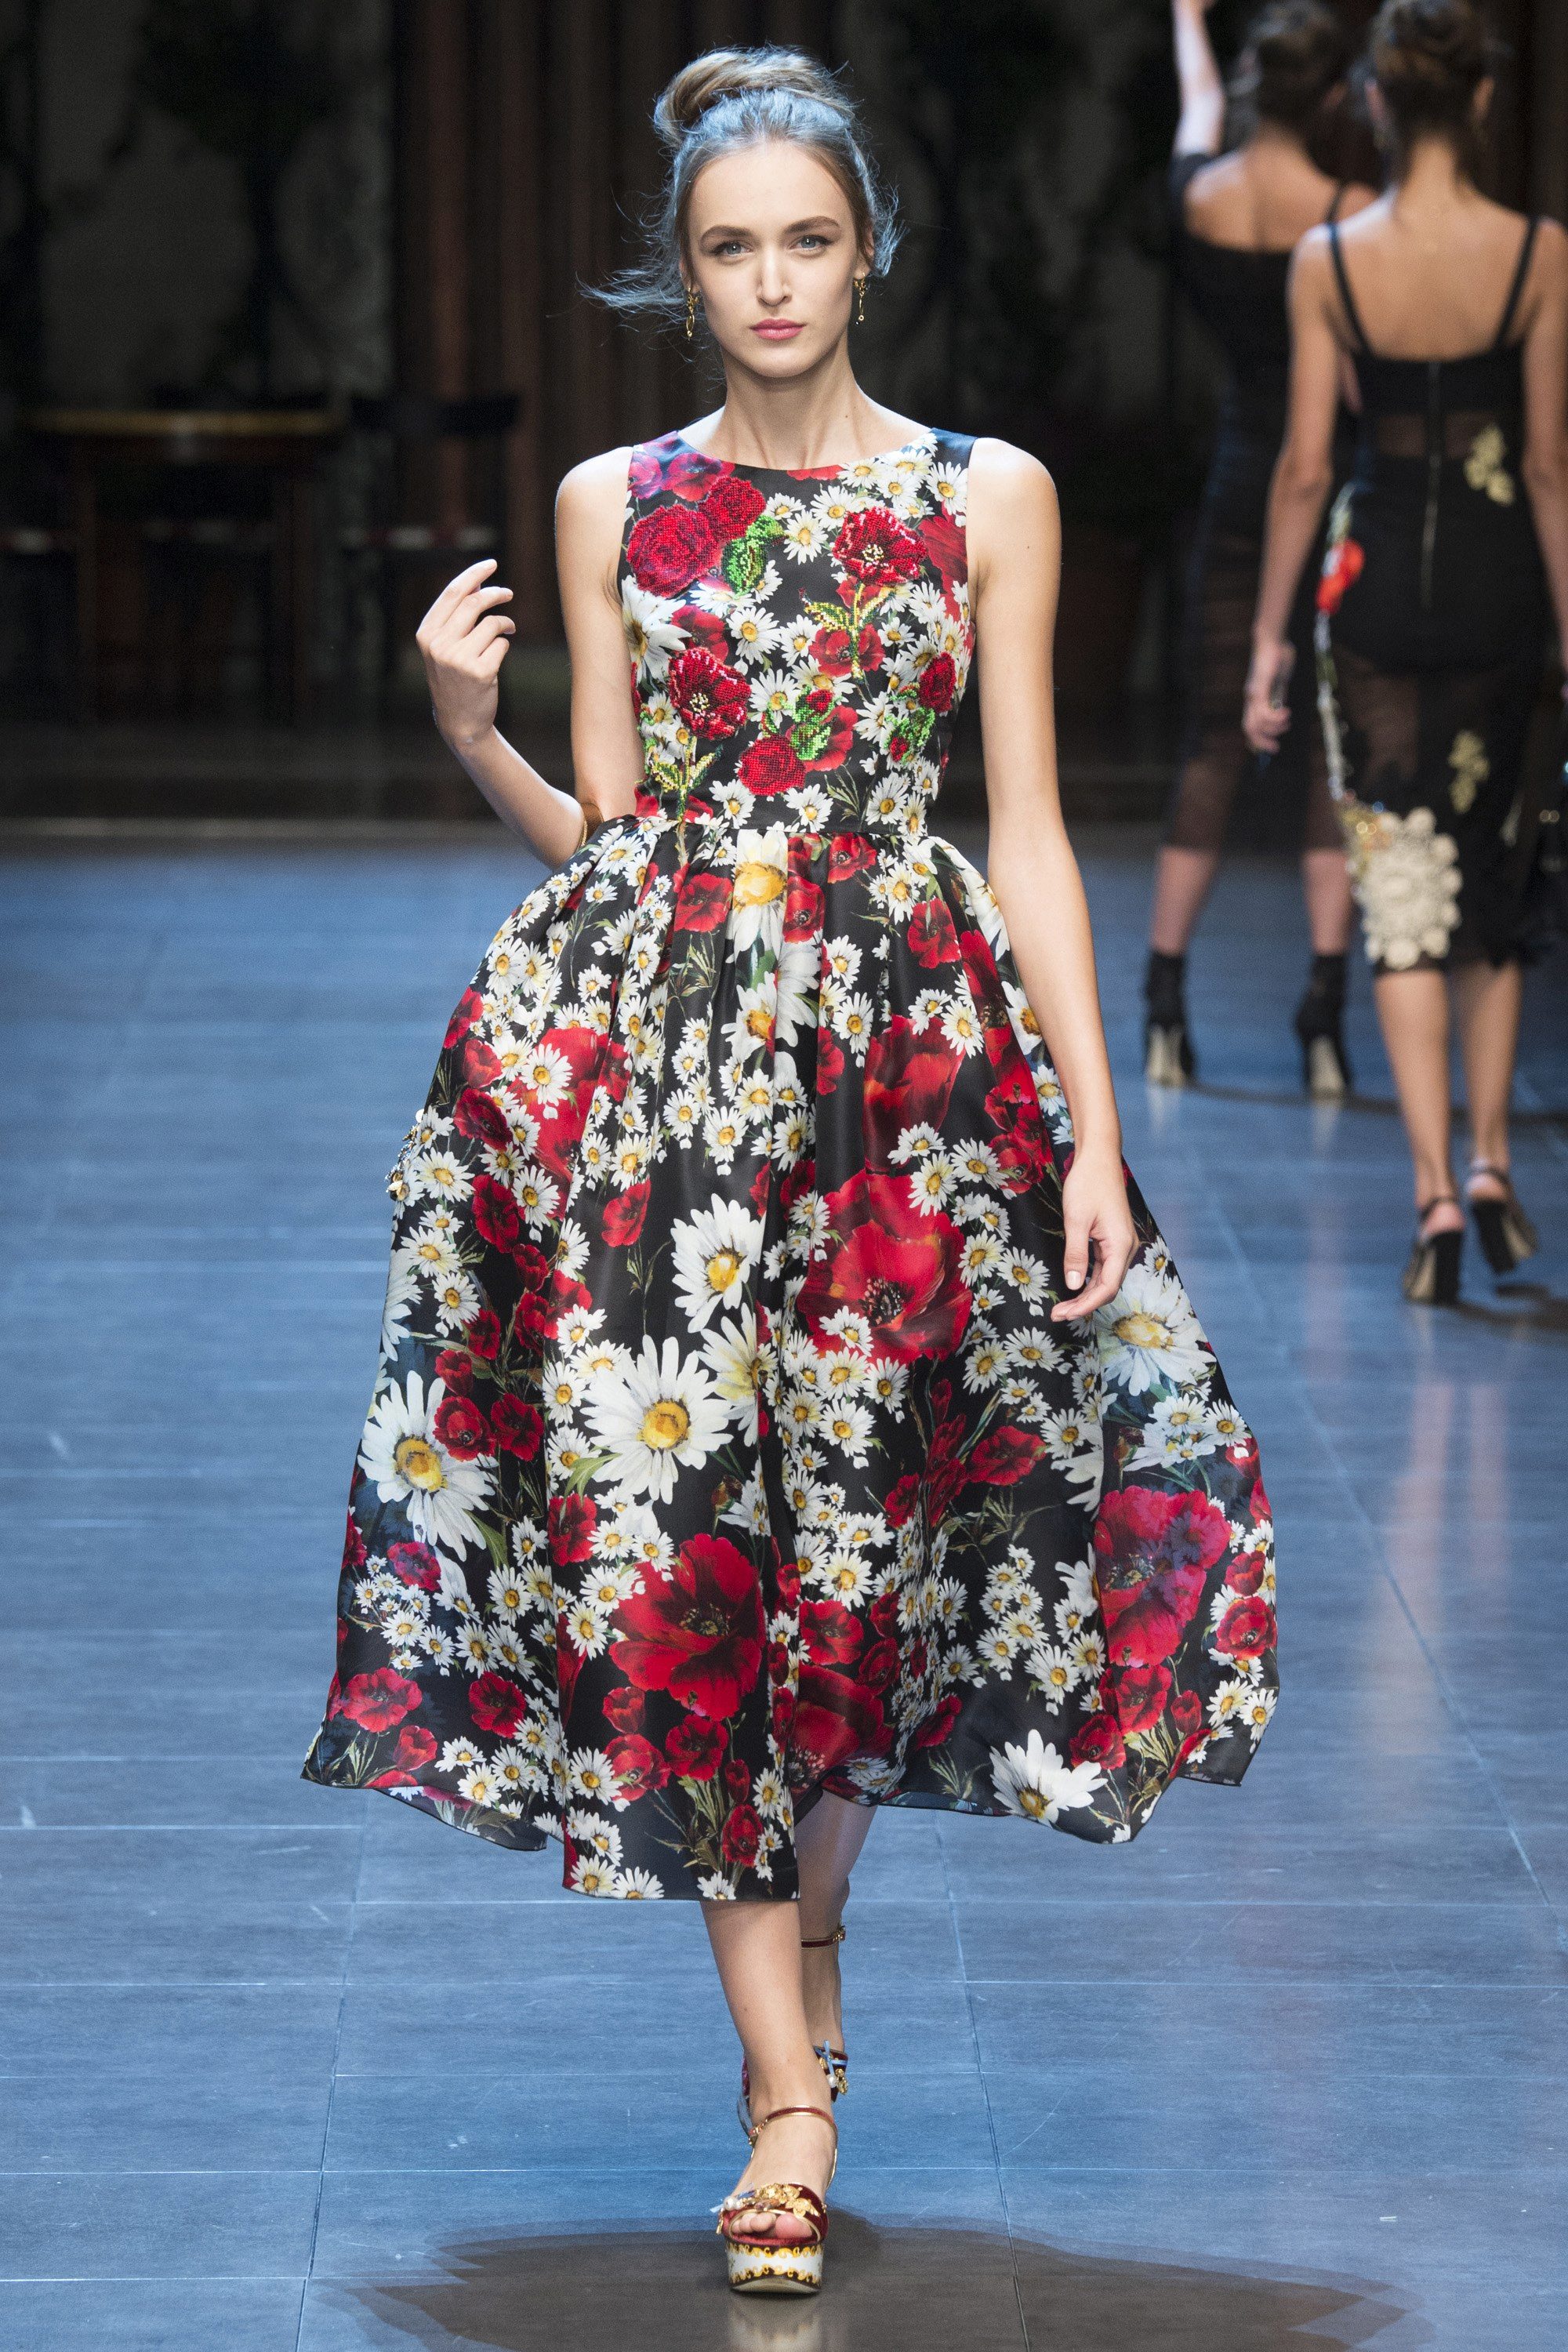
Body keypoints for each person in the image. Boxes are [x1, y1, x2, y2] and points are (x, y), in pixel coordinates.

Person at [302, 48, 1279, 2295]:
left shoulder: (982, 497)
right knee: (690, 1560)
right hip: (669, 1102)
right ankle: (787, 2097)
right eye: (730, 249)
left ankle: (810, 1940)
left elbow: (1030, 831)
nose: (769, 283)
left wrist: (1095, 1127)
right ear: (684, 272)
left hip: (910, 1097)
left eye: (806, 242)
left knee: (862, 1557)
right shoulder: (613, 503)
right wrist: (471, 735)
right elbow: (619, 849)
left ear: (867, 255)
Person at [1245, 0, 1568, 1303]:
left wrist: (1266, 642)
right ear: (1480, 99)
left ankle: (1433, 1192)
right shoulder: (1538, 253)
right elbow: (1547, 464)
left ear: (1376, 101)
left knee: (1403, 893)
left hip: (1371, 592)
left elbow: (1302, 466)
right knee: (1494, 881)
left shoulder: (1327, 257)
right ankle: (1491, 1163)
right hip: (1501, 588)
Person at [1147, 0, 1377, 1093]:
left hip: (1241, 478)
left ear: (1253, 87)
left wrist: (1188, 19)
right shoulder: (1354, 219)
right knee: (1334, 751)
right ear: (1335, 96)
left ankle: (1162, 1008)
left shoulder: (1202, 197)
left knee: (1213, 742)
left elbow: (1197, 111)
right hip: (1339, 495)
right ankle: (1324, 1022)